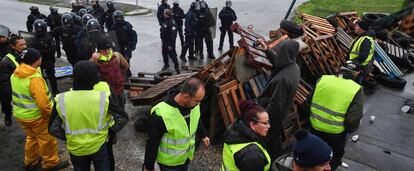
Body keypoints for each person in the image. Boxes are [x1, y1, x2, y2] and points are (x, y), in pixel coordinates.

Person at [49, 60, 128, 171]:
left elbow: (53, 128)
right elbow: (122, 118)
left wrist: (68, 137)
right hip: (98, 145)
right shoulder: (102, 98)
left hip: (76, 149)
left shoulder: (61, 99)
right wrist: (109, 132)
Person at [11, 48, 69, 170]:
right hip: (36, 117)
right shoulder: (34, 79)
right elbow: (43, 104)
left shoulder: (16, 73)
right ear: (35, 61)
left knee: (31, 137)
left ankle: (30, 161)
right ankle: (51, 163)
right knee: (46, 140)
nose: (41, 59)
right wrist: (50, 117)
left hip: (21, 115)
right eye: (40, 57)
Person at [143, 78, 210, 171]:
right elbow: (152, 143)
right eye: (197, 101)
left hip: (186, 158)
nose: (199, 103)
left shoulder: (193, 105)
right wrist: (148, 167)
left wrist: (203, 135)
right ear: (186, 97)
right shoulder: (161, 114)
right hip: (169, 165)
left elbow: (196, 119)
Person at [307, 65, 363, 171]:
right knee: (333, 158)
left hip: (315, 127)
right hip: (335, 133)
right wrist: (348, 130)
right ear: (356, 73)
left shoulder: (322, 79)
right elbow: (353, 118)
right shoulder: (356, 89)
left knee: (313, 155)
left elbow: (307, 103)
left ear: (340, 69)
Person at [256, 39, 301, 160]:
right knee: (273, 138)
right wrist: (267, 50)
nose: (278, 53)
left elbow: (275, 106)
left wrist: (264, 123)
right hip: (281, 112)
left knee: (270, 141)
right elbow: (278, 62)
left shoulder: (283, 79)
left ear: (285, 55)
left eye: (279, 52)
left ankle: (271, 163)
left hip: (273, 116)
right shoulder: (293, 66)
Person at [221, 100, 271, 171]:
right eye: (265, 123)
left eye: (269, 121)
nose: (269, 126)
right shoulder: (251, 154)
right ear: (252, 125)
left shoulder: (235, 131)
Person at [90, 37, 129, 108]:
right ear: (99, 51)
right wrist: (92, 60)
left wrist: (120, 76)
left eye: (108, 49)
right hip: (106, 93)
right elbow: (87, 72)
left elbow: (125, 66)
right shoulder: (95, 60)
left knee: (122, 106)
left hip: (119, 89)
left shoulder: (117, 55)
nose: (107, 52)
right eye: (104, 50)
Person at [0, 35, 26, 126]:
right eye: (21, 45)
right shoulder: (5, 62)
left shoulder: (24, 54)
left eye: (25, 44)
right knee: (6, 102)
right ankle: (7, 115)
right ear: (13, 46)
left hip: (23, 86)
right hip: (11, 87)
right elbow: (5, 81)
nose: (24, 47)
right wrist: (12, 93)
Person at [29, 19, 59, 95]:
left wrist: (40, 52)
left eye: (40, 28)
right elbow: (30, 49)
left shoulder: (48, 37)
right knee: (39, 77)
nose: (39, 30)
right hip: (37, 62)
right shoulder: (33, 37)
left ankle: (55, 90)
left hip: (48, 60)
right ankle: (43, 91)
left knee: (52, 77)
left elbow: (52, 49)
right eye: (37, 28)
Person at [109, 10, 137, 77]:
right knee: (119, 61)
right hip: (118, 47)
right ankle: (125, 73)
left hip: (126, 45)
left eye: (118, 18)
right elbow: (110, 37)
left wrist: (133, 45)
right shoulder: (113, 27)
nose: (117, 19)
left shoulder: (127, 25)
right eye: (116, 18)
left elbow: (133, 35)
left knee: (126, 59)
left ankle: (127, 74)